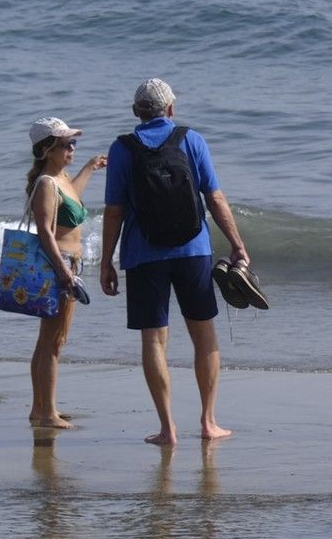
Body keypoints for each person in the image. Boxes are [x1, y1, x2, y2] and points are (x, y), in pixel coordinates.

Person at [99, 79, 249, 445]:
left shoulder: (122, 149)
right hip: (193, 250)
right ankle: (209, 422)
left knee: (153, 340)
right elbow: (214, 198)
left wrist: (106, 261)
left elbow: (114, 211)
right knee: (204, 334)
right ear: (171, 108)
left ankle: (168, 429)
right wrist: (238, 246)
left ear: (137, 112)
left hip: (143, 254)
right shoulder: (191, 139)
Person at [23, 118, 107, 428]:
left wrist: (89, 168)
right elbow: (44, 231)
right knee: (54, 342)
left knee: (46, 341)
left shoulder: (60, 178)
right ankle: (48, 413)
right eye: (66, 144)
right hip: (58, 266)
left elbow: (71, 198)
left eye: (74, 143)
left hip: (65, 264)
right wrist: (64, 274)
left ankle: (38, 408)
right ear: (47, 149)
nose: (72, 148)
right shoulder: (47, 183)